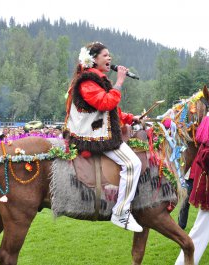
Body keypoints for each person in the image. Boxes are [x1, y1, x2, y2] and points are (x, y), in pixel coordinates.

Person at [64, 42, 142, 232]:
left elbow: (112, 113)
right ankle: (121, 212)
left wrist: (131, 118)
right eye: (106, 55)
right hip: (93, 136)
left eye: (109, 55)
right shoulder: (86, 82)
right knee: (133, 164)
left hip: (101, 131)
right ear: (94, 59)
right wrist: (120, 82)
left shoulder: (96, 81)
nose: (110, 58)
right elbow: (106, 103)